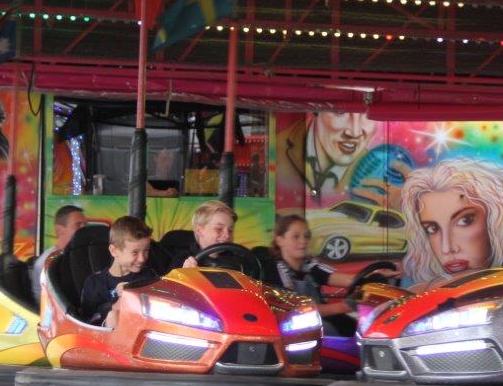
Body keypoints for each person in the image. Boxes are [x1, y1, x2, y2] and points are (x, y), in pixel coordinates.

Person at [400, 157, 503, 286]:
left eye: (465, 221)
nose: (446, 248)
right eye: (432, 229)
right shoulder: (423, 293)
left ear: (497, 219)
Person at [261, 214, 397, 336]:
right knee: (334, 331)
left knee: (362, 329)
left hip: (318, 319)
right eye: (296, 236)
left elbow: (350, 280)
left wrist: (375, 276)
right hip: (293, 327)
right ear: (280, 240)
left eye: (306, 236)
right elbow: (296, 309)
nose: (303, 241)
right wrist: (344, 306)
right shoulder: (276, 270)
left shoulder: (310, 265)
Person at [78, 216, 160, 326]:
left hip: (141, 328)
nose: (142, 258)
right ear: (114, 251)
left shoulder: (148, 277)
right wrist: (119, 301)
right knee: (113, 316)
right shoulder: (94, 283)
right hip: (105, 333)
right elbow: (88, 321)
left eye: (146, 251)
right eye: (135, 252)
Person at [284, 112, 378, 202]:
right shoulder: (278, 147)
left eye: (368, 115)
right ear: (317, 109)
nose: (355, 133)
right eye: (341, 112)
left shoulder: (375, 170)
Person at [162, 200, 238, 269]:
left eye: (230, 230)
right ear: (200, 231)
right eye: (219, 229)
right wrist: (185, 273)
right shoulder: (182, 260)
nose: (227, 235)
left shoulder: (237, 259)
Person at [32, 205, 86, 302]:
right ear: (59, 231)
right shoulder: (48, 260)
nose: (84, 229)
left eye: (85, 225)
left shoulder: (75, 256)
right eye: (78, 225)